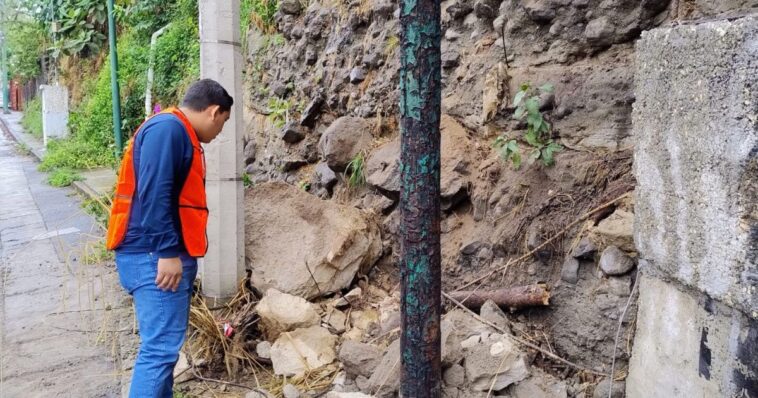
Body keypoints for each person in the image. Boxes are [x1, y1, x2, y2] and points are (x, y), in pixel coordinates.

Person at [106, 79, 233, 397]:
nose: (220, 133)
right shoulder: (169, 130)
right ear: (214, 111)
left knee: (162, 351)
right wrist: (167, 252)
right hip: (152, 256)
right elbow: (154, 193)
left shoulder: (173, 130)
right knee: (159, 352)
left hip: (151, 253)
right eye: (223, 123)